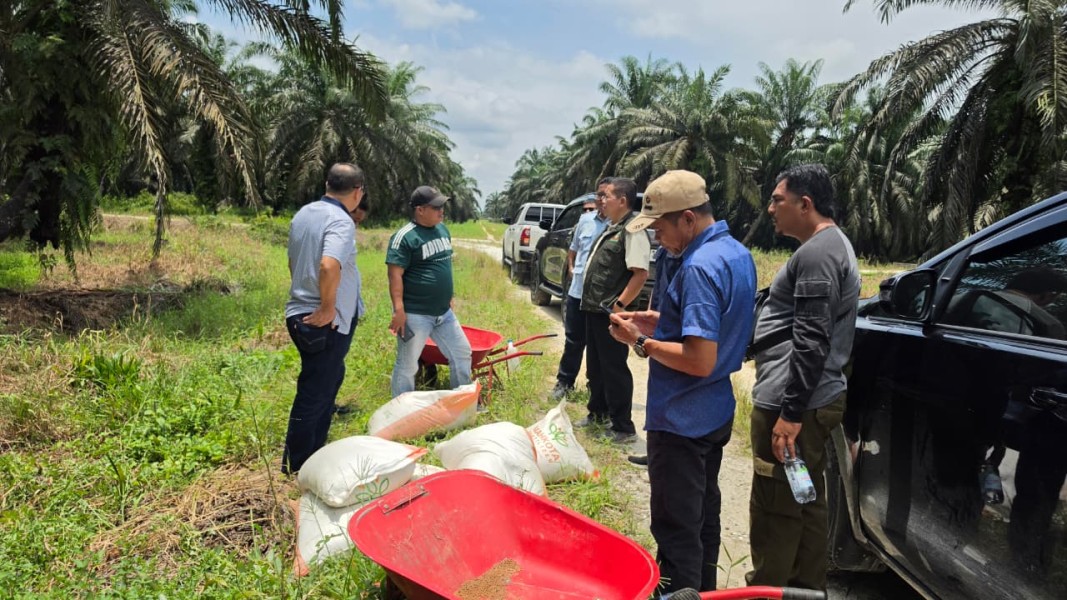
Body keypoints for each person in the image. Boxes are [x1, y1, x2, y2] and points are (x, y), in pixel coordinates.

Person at [609, 170, 756, 593]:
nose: (657, 238)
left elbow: (699, 358)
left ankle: (680, 593)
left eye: (659, 228)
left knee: (676, 530)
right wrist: (660, 322)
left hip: (681, 420)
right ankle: (703, 592)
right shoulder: (736, 254)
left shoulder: (698, 267)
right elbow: (714, 328)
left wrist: (640, 341)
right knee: (704, 519)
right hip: (713, 413)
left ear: (688, 219)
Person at [746, 164, 861, 592]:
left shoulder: (817, 254)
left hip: (792, 401)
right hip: (809, 398)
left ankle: (767, 591)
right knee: (805, 499)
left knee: (775, 506)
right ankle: (806, 590)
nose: (770, 208)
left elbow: (812, 340)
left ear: (805, 204)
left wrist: (790, 414)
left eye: (778, 200)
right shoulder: (829, 247)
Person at [282, 162, 366, 474]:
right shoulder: (341, 221)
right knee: (314, 393)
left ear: (327, 184)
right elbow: (329, 265)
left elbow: (293, 261)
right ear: (357, 192)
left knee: (327, 381)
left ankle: (315, 453)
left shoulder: (304, 213)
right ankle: (298, 466)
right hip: (325, 322)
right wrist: (328, 307)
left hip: (300, 313)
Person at [577, 177, 650, 444]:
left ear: (622, 200)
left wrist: (618, 307)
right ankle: (597, 412)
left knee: (614, 368)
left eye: (606, 196)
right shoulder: (613, 227)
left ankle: (623, 426)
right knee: (596, 366)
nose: (601, 201)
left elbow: (640, 274)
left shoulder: (633, 230)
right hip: (595, 309)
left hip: (611, 312)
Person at [386, 185, 472, 398]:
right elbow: (394, 275)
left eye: (442, 206)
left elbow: (444, 266)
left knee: (462, 353)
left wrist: (448, 297)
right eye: (436, 207)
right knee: (407, 365)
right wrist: (399, 310)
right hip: (415, 314)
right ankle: (401, 409)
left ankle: (462, 402)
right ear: (420, 210)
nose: (441, 211)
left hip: (444, 313)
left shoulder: (443, 230)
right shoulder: (405, 237)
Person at [550, 179, 611, 400]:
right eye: (599, 194)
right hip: (577, 294)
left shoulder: (618, 226)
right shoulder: (585, 221)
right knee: (573, 341)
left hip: (601, 299)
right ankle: (564, 383)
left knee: (598, 347)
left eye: (605, 195)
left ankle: (595, 388)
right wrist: (571, 268)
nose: (601, 199)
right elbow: (573, 249)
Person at [332, 197, 372, 416]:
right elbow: (327, 270)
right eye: (354, 219)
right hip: (335, 312)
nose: (355, 226)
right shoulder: (333, 236)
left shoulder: (346, 238)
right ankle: (324, 408)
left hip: (347, 310)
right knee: (331, 364)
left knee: (337, 362)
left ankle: (328, 404)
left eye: (358, 222)